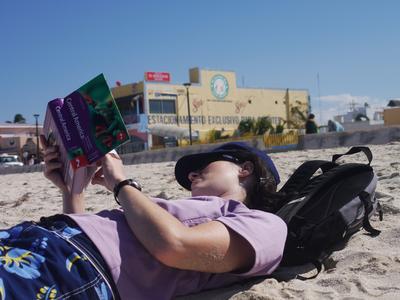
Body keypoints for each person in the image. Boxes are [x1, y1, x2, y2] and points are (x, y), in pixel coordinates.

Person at [0, 138, 287, 299]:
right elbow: (94, 238)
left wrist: (121, 183)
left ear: (245, 169)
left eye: (204, 165)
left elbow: (175, 246)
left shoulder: (266, 225)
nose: (191, 175)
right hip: (45, 239)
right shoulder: (177, 209)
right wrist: (71, 188)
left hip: (78, 269)